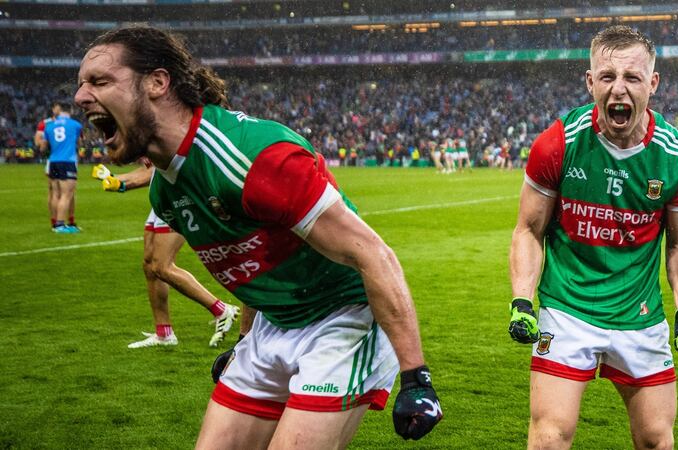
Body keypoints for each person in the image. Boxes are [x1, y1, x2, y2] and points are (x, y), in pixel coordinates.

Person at [74, 26, 442, 448]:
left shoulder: (253, 158)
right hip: (274, 324)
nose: (81, 97)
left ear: (158, 82)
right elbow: (255, 266)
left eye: (100, 81)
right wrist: (246, 341)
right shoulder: (167, 190)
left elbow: (374, 255)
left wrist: (416, 377)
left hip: (344, 319)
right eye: (81, 84)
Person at [508, 26, 678, 450]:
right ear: (590, 82)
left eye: (632, 78)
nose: (619, 89)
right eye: (607, 77)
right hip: (567, 309)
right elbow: (528, 229)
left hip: (639, 315)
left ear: (652, 83)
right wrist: (523, 299)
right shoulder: (558, 142)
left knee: (657, 440)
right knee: (549, 436)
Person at [90, 163, 241, 348]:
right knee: (149, 265)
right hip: (162, 198)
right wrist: (116, 178)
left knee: (162, 266)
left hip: (178, 197)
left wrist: (122, 183)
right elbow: (152, 171)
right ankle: (164, 333)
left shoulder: (161, 139)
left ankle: (221, 310)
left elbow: (164, 166)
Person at [41, 101, 82, 233]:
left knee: (55, 194)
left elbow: (43, 147)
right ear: (70, 111)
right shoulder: (75, 125)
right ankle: (60, 225)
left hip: (53, 161)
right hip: (67, 162)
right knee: (67, 194)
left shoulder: (49, 126)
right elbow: (79, 142)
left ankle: (54, 223)